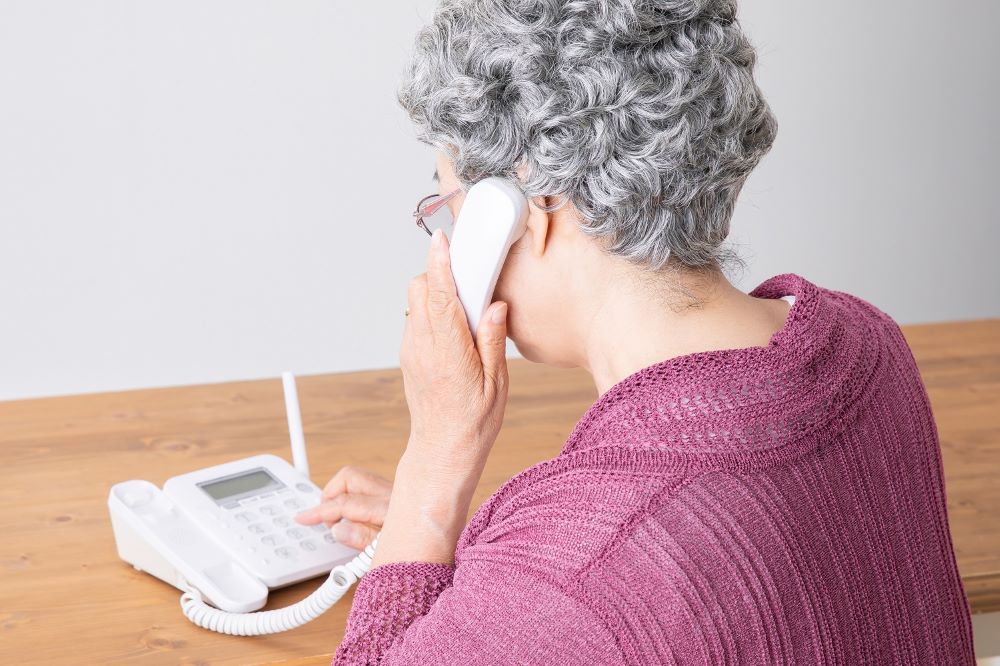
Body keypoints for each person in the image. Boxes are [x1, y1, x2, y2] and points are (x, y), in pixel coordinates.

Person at [294, 0, 975, 663]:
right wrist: (489, 562)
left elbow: (612, 575)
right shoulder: (867, 346)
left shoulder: (577, 571)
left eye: (450, 208)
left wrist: (431, 477)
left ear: (524, 218)